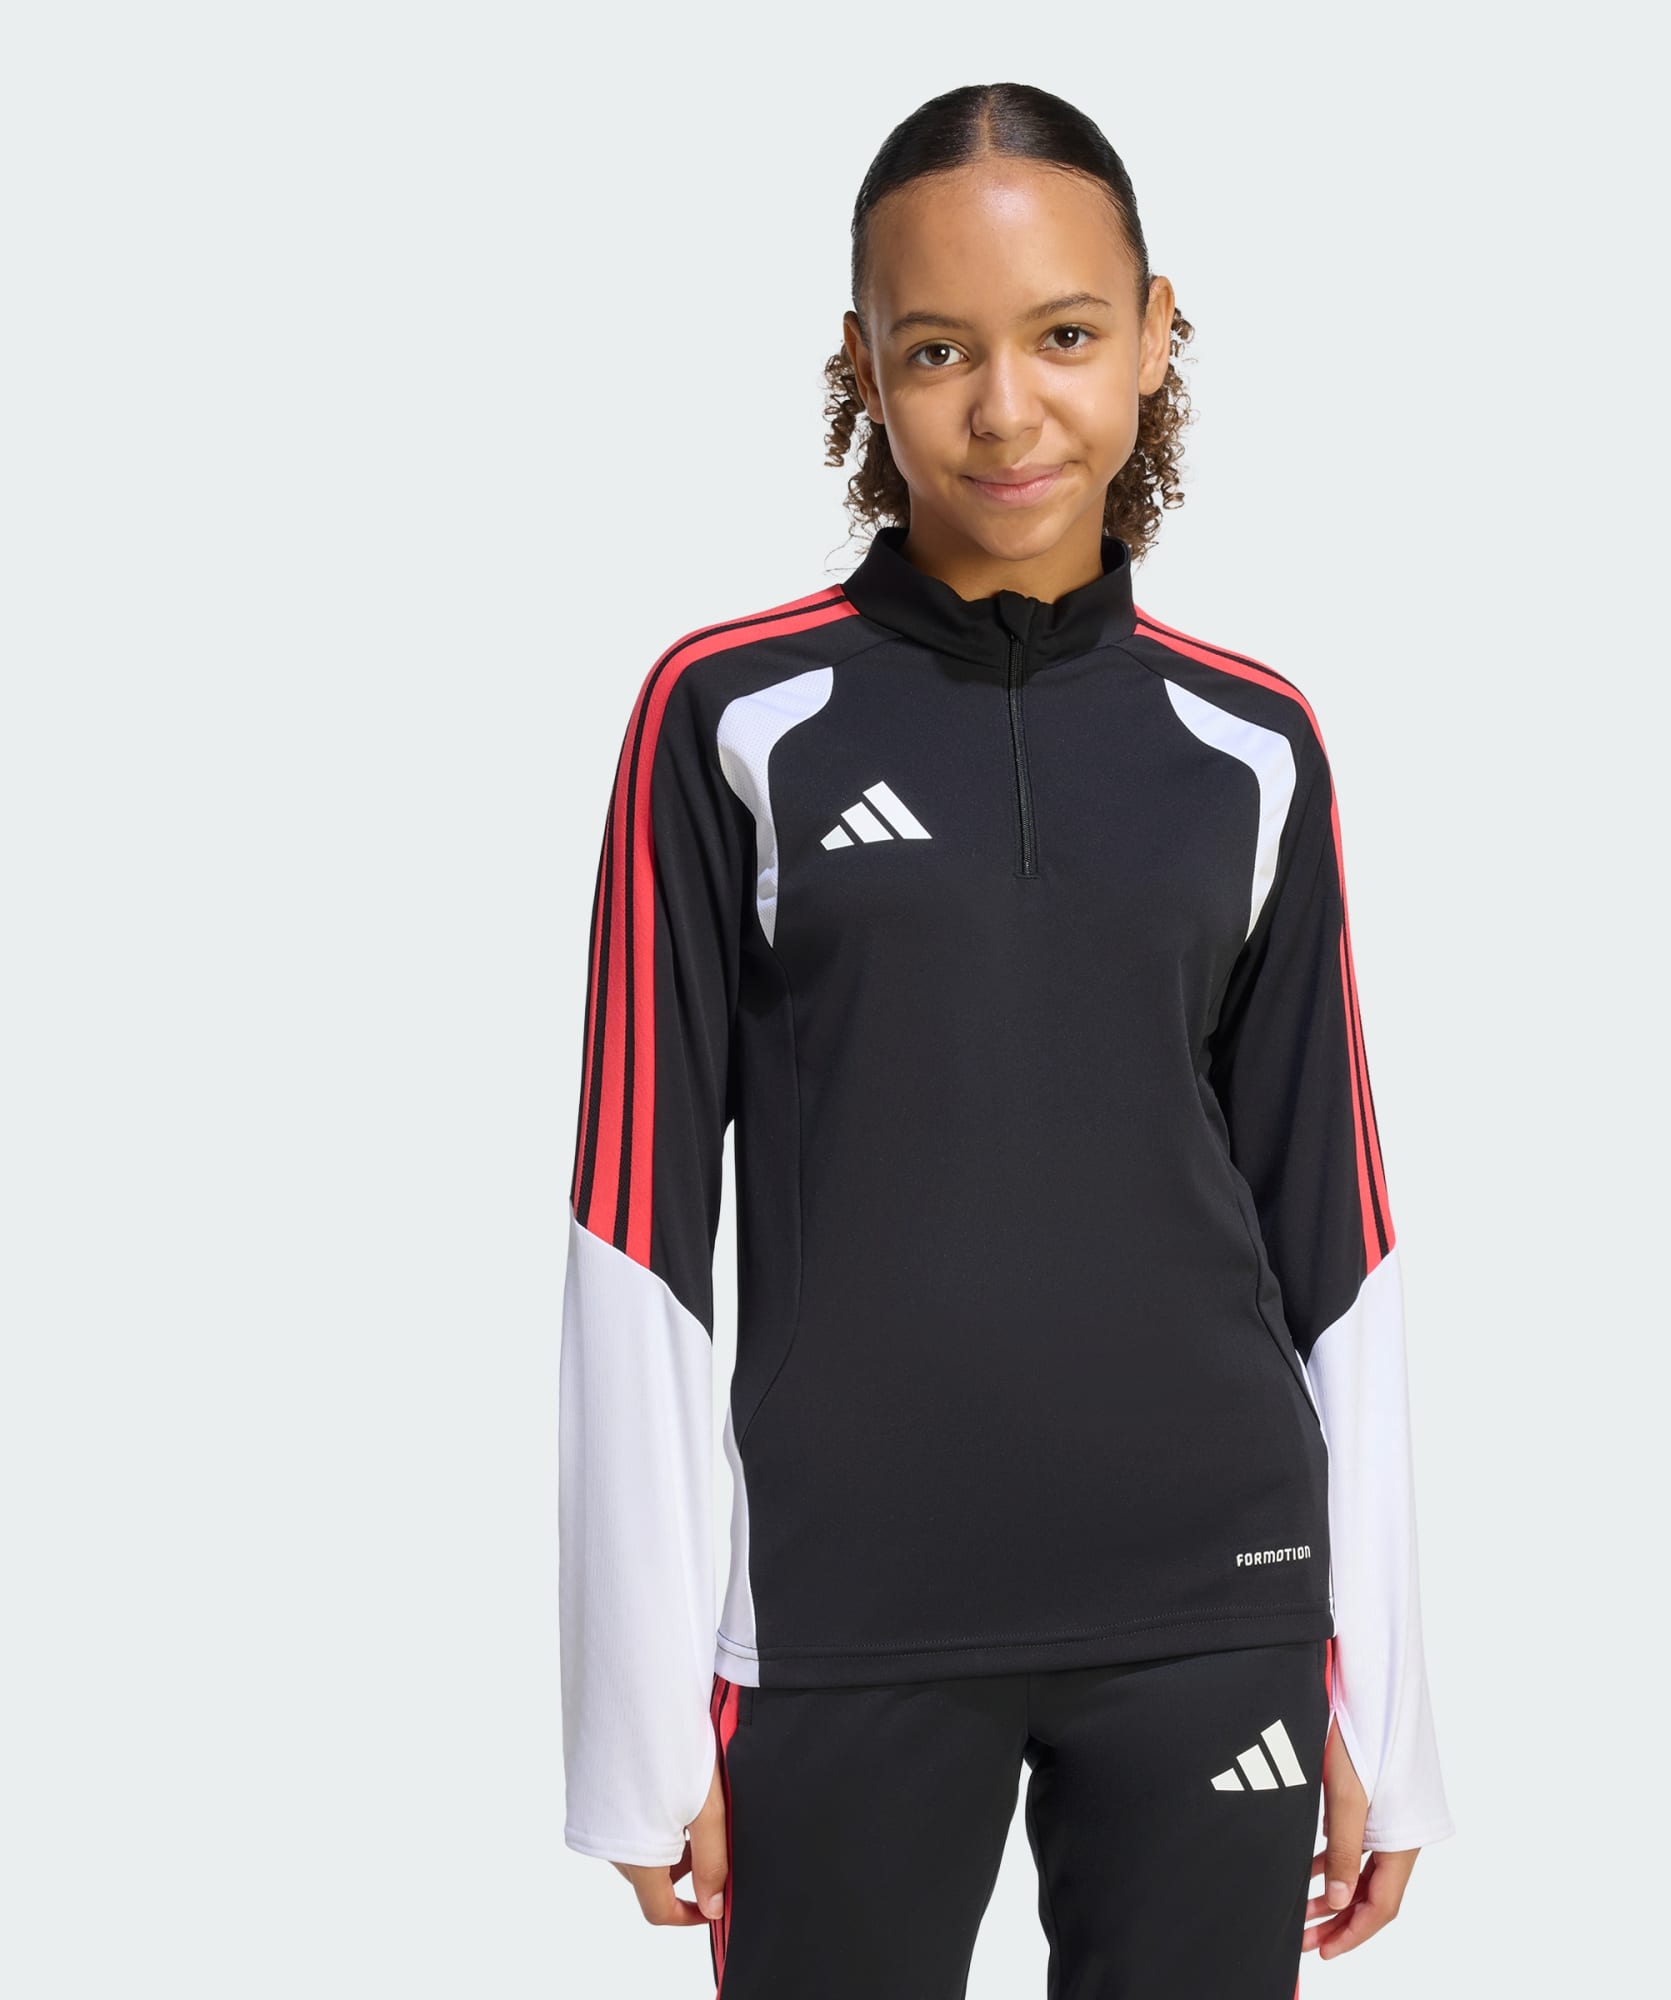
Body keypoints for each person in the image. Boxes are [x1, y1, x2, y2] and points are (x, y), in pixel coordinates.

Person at [558, 80, 1453, 1998]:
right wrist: (638, 1720)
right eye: (937, 349)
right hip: (847, 1622)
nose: (1006, 409)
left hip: (1217, 1604)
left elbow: (1335, 1227)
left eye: (1063, 335)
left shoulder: (1253, 742)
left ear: (1153, 336)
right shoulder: (728, 717)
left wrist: (1381, 1696)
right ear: (862, 369)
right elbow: (634, 1226)